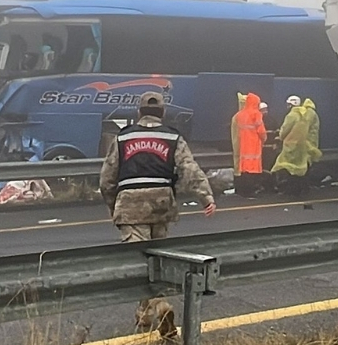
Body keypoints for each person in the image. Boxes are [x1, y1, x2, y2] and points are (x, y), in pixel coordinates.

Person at [100, 92, 215, 242]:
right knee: (159, 254)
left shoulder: (122, 138)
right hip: (162, 203)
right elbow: (189, 169)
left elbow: (106, 179)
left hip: (130, 204)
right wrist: (206, 198)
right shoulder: (173, 137)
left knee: (137, 256)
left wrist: (114, 205)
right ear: (163, 113)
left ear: (139, 112)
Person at [272, 95, 318, 198]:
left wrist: (280, 136)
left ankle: (292, 191)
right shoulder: (306, 114)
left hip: (291, 146)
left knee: (290, 170)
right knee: (302, 168)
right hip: (305, 145)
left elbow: (285, 130)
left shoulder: (292, 115)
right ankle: (304, 189)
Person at [231, 93, 268, 197]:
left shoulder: (239, 115)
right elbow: (261, 130)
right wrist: (264, 139)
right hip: (254, 144)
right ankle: (251, 191)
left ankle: (243, 191)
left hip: (243, 144)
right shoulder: (256, 114)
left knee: (244, 168)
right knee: (253, 168)